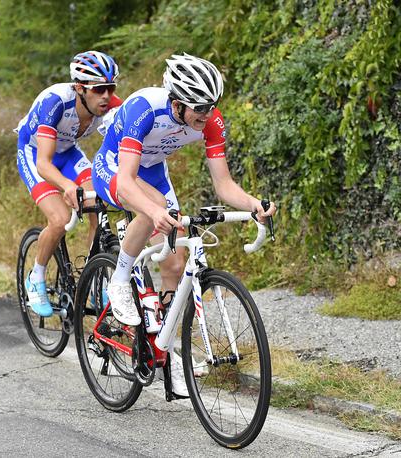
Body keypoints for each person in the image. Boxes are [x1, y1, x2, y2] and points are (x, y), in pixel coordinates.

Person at [92, 53, 277, 394]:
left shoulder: (211, 120)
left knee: (176, 261)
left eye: (210, 107)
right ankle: (118, 280)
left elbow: (223, 185)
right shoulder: (144, 108)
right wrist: (154, 211)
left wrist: (254, 205)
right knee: (155, 210)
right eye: (198, 109)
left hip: (153, 172)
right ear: (176, 103)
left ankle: (162, 343)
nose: (206, 116)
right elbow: (128, 181)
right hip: (115, 167)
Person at [16, 50, 123, 317]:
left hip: (68, 152)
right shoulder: (55, 102)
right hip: (35, 154)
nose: (106, 96)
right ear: (79, 88)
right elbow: (43, 164)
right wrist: (66, 185)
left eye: (110, 88)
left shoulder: (113, 105)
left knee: (100, 204)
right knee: (61, 219)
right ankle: (36, 276)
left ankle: (97, 275)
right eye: (99, 89)